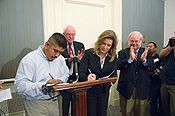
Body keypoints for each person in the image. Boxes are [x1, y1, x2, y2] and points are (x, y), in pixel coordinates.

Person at [14, 33, 69, 116]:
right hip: (36, 105)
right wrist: (43, 86)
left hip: (55, 102)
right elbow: (19, 86)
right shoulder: (30, 60)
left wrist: (60, 80)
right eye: (56, 51)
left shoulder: (60, 59)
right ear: (47, 45)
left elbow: (66, 74)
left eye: (60, 52)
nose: (57, 55)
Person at [79, 30, 118, 116]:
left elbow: (114, 75)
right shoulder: (89, 53)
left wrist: (110, 82)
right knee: (91, 113)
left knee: (102, 113)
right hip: (90, 91)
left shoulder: (113, 57)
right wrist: (87, 77)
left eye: (109, 45)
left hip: (104, 91)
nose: (105, 47)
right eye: (103, 43)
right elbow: (81, 73)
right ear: (99, 42)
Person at [117, 31, 155, 116]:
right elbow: (118, 66)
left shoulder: (147, 52)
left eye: (136, 41)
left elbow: (152, 68)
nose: (134, 43)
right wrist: (129, 60)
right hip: (126, 88)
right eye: (132, 41)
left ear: (141, 41)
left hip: (142, 88)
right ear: (129, 41)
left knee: (140, 113)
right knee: (126, 113)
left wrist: (144, 61)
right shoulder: (122, 52)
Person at [61, 25, 85, 116]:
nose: (71, 37)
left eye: (73, 34)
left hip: (78, 78)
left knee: (77, 104)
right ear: (64, 35)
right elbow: (58, 62)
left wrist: (79, 60)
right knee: (65, 105)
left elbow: (84, 62)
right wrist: (69, 60)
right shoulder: (60, 46)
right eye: (68, 34)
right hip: (65, 79)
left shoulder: (80, 45)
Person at [159, 36, 175, 116]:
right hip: (165, 81)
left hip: (174, 83)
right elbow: (161, 55)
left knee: (173, 109)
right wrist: (170, 46)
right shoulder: (171, 43)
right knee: (165, 107)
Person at [147, 42, 163, 116]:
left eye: (150, 46)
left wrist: (155, 72)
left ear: (155, 48)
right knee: (152, 100)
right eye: (147, 46)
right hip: (148, 82)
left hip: (157, 82)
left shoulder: (160, 57)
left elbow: (162, 67)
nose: (148, 47)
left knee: (160, 99)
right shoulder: (145, 57)